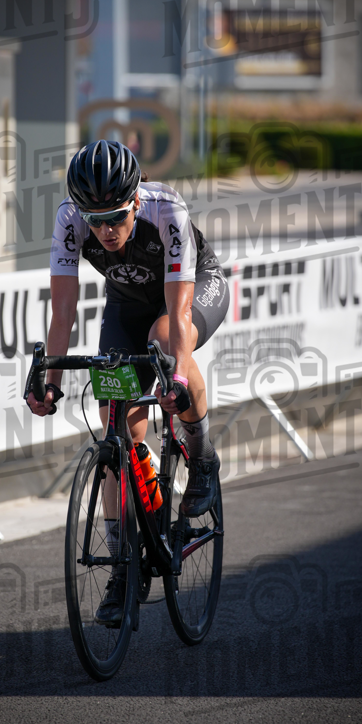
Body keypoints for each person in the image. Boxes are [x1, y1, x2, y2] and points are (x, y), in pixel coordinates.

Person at [27, 139, 229, 625]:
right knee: (118, 428)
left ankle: (201, 459)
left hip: (192, 288)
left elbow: (178, 316)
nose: (105, 230)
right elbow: (63, 313)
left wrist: (177, 376)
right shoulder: (69, 219)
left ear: (136, 201)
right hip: (125, 303)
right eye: (94, 221)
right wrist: (49, 381)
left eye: (115, 217)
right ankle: (124, 570)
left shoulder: (166, 211)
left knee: (163, 340)